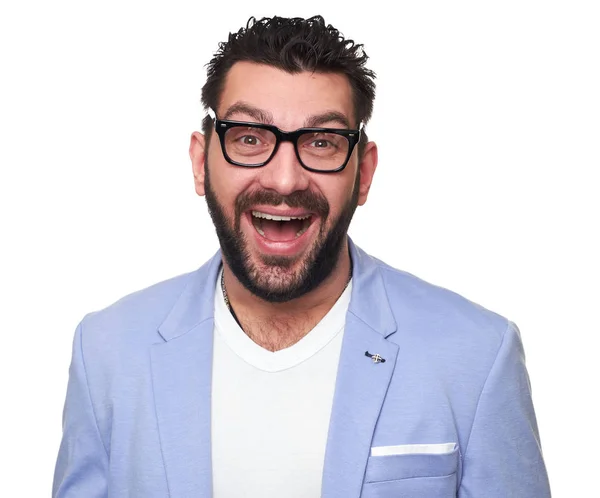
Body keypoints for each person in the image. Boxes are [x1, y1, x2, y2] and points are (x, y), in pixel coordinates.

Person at [52, 15, 551, 498]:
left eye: (322, 142)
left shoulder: (478, 355)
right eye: (249, 138)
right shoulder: (107, 354)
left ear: (365, 172)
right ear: (202, 162)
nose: (285, 179)